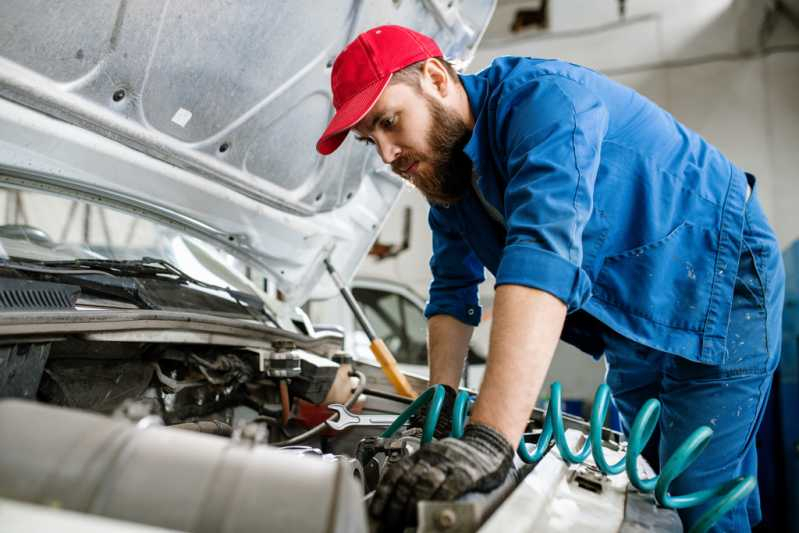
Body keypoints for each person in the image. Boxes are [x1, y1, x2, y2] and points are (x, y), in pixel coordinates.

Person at [316, 25, 784, 532]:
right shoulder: (449, 174)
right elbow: (452, 291)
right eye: (370, 140)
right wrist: (440, 417)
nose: (386, 154)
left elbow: (543, 256)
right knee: (650, 490)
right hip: (630, 316)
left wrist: (488, 441)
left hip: (720, 279)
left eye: (389, 122)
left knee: (697, 500)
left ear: (435, 77)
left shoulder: (544, 103)